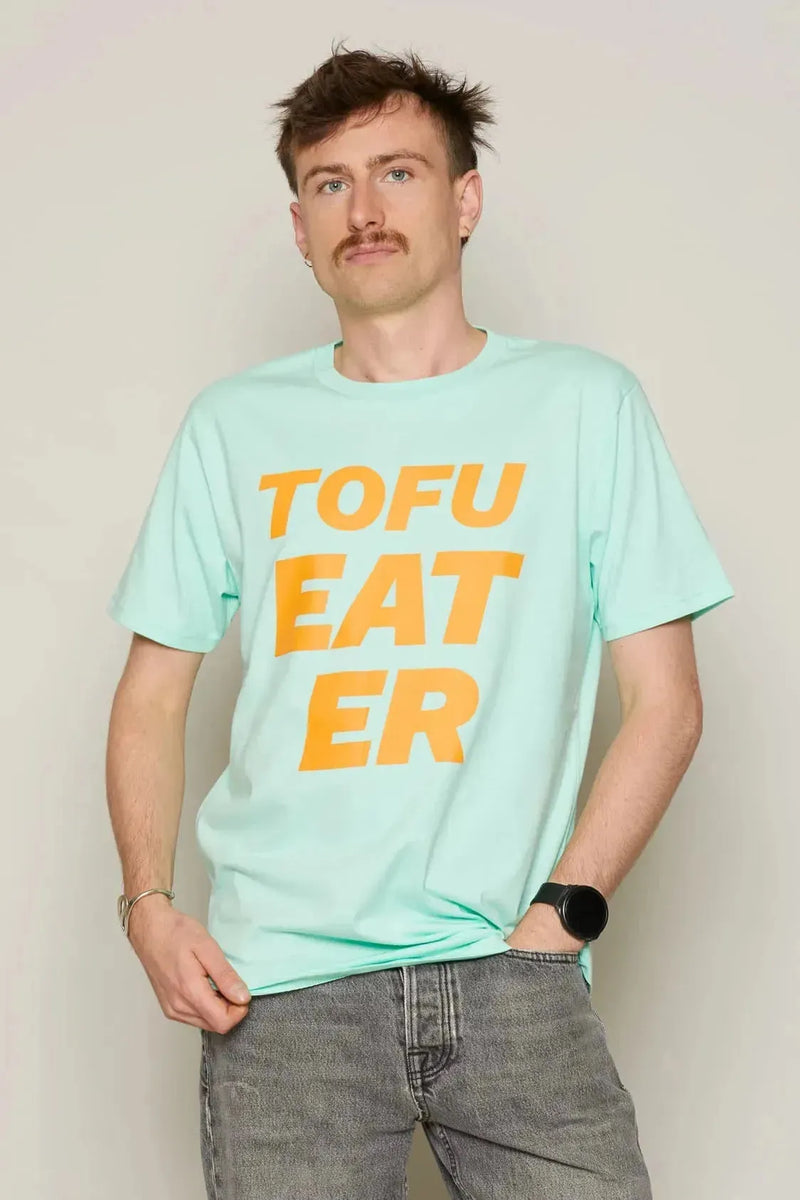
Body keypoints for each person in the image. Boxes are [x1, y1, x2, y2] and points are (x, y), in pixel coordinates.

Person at [105, 42, 735, 1200]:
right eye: (329, 183)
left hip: (510, 972)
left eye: (397, 172)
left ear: (465, 199)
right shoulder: (232, 426)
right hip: (277, 995)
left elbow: (667, 703)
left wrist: (561, 918)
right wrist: (148, 908)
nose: (363, 209)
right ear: (299, 226)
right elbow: (151, 693)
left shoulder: (581, 405)